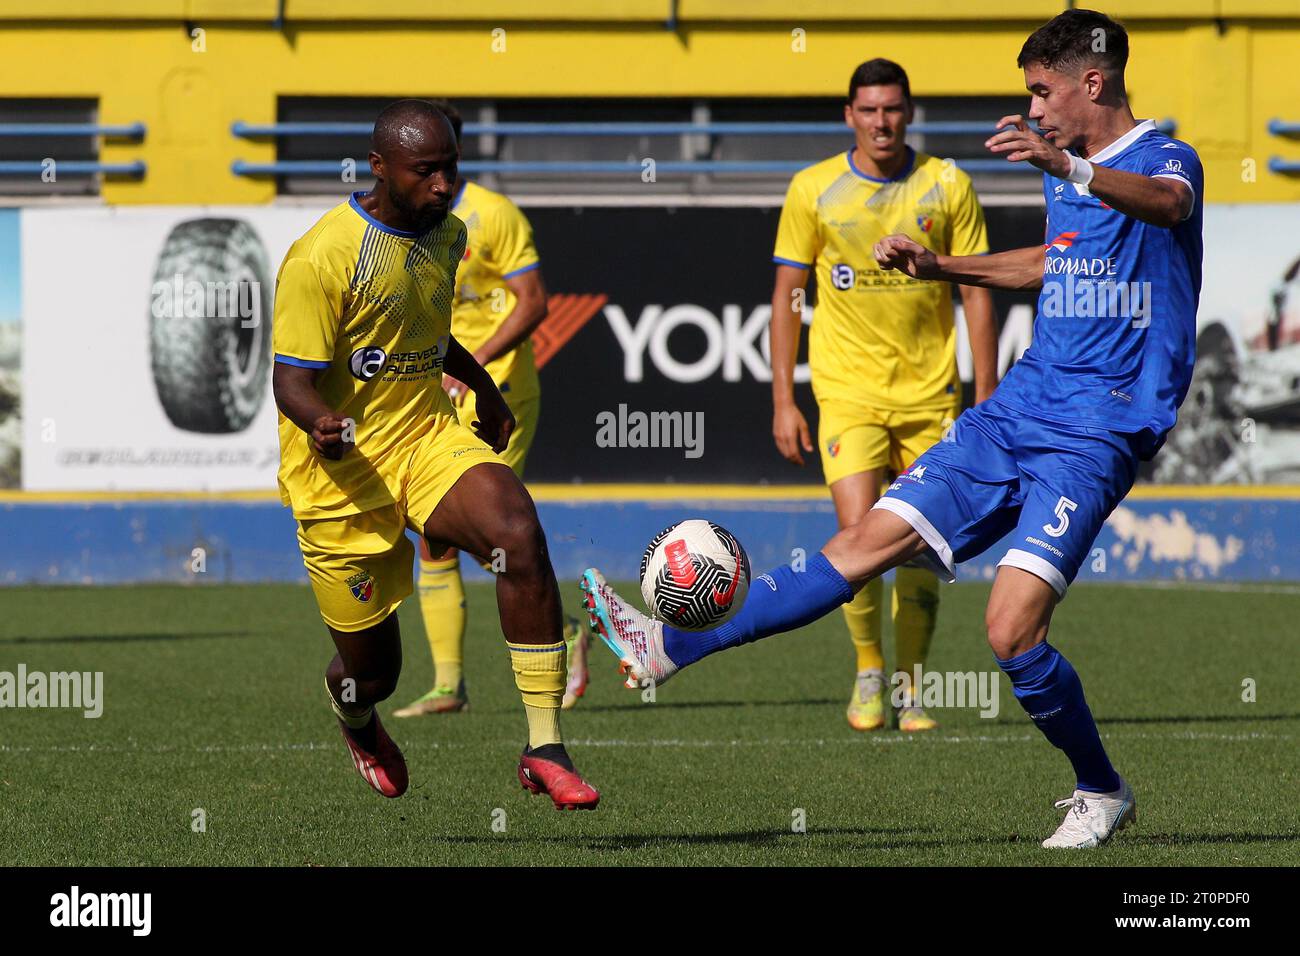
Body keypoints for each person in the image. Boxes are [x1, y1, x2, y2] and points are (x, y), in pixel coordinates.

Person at [582, 8, 1202, 847]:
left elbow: (1166, 207)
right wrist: (943, 266)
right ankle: (666, 647)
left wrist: (1070, 166)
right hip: (1019, 408)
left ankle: (1100, 789)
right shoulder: (1067, 170)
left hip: (1097, 431)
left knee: (1010, 631)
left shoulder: (1164, 160)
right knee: (859, 546)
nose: (1034, 109)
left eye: (1042, 91)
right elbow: (1057, 263)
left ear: (1093, 82)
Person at [272, 98, 599, 809]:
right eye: (426, 171)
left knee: (517, 530)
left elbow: (425, 328)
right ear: (380, 167)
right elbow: (290, 379)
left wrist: (483, 387)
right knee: (372, 673)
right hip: (341, 480)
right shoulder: (321, 257)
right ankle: (357, 721)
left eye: (451, 167)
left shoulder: (446, 234)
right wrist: (323, 422)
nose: (444, 185)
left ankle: (544, 746)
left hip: (425, 439)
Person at [770, 58, 997, 732]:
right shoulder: (813, 189)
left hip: (931, 396)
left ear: (909, 112)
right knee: (857, 534)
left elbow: (976, 290)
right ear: (849, 115)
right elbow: (787, 296)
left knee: (924, 544)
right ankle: (869, 670)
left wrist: (984, 395)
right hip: (848, 392)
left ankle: (910, 686)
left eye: (893, 108)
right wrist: (785, 398)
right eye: (868, 109)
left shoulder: (947, 183)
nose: (881, 121)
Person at [393, 99, 590, 719]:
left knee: (495, 533)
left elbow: (533, 304)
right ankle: (449, 685)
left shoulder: (492, 215)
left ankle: (572, 631)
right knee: (434, 535)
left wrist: (472, 366)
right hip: (433, 395)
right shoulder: (403, 227)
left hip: (496, 391)